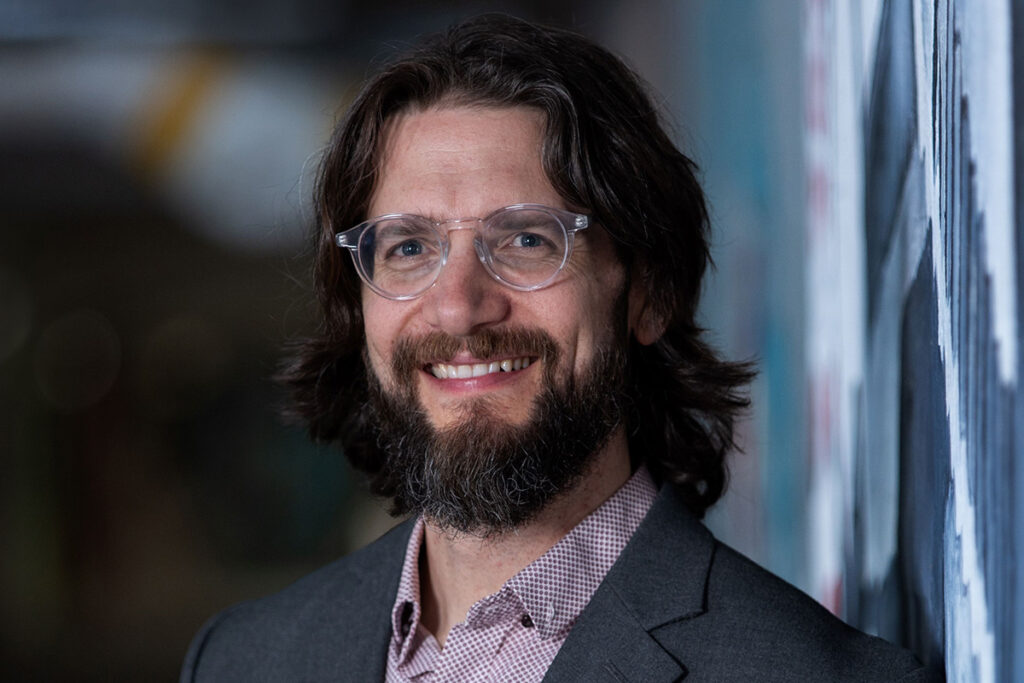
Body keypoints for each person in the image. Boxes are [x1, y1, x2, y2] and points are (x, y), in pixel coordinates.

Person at [181, 14, 941, 682]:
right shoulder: (244, 659)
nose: (458, 305)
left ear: (647, 292)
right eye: (408, 247)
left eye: (525, 238)